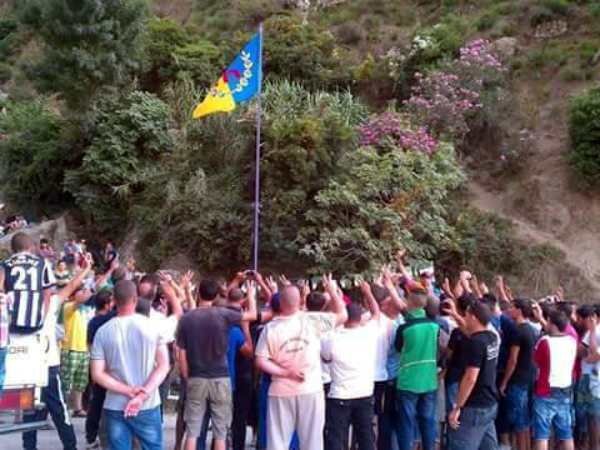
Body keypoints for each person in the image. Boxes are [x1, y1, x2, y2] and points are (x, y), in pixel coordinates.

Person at [255, 275, 348, 450]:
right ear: (300, 302)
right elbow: (343, 315)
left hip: (280, 390)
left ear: (281, 303)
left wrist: (285, 373)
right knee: (312, 442)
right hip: (310, 388)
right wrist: (332, 291)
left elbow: (260, 360)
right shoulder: (313, 320)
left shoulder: (271, 328)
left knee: (277, 442)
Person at [22, 254, 94, 450]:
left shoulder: (16, 304)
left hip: (26, 366)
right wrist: (86, 269)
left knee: (30, 410)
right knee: (59, 410)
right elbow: (71, 287)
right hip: (47, 365)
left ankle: (29, 446)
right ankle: (70, 446)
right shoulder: (51, 304)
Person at [176, 277, 257, 450]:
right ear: (216, 295)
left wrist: (187, 377)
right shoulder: (224, 314)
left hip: (196, 377)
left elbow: (181, 355)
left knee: (192, 431)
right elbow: (252, 315)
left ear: (198, 292)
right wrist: (250, 296)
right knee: (220, 433)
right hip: (221, 378)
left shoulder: (186, 319)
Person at [90, 280, 170, 450]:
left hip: (115, 404)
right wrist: (143, 393)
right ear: (135, 298)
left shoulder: (103, 332)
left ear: (114, 301)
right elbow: (163, 366)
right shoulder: (152, 326)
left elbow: (97, 374)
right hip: (148, 403)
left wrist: (127, 390)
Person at [321, 281, 380, 450]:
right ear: (361, 318)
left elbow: (325, 358)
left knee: (335, 438)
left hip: (340, 395)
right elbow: (376, 313)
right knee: (366, 437)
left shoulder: (331, 337)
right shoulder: (369, 333)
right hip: (364, 394)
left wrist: (333, 296)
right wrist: (368, 292)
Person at [447, 301, 500, 450]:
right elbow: (470, 332)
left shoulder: (475, 343)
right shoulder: (492, 337)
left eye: (466, 315)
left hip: (474, 406)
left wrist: (457, 407)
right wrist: (455, 315)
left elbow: (470, 378)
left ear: (474, 318)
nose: (465, 318)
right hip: (489, 403)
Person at [394, 290, 440, 450]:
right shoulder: (435, 326)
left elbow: (398, 349)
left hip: (408, 381)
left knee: (406, 424)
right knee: (428, 422)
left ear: (410, 303)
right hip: (429, 380)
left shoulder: (404, 328)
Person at [532, 310, 577, 450]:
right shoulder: (572, 341)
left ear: (554, 325)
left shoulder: (544, 341)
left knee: (542, 435)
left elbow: (535, 363)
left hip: (545, 391)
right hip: (565, 389)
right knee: (566, 433)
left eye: (549, 321)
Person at [499, 299, 536, 450]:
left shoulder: (518, 331)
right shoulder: (530, 329)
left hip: (517, 381)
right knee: (525, 422)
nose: (509, 310)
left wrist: (504, 383)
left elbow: (513, 359)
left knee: (519, 423)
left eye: (512, 307)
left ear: (519, 310)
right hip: (527, 379)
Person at [1, 232, 56, 334]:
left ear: (12, 249)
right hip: (35, 325)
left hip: (11, 325)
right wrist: (43, 319)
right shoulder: (43, 263)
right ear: (31, 248)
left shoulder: (4, 265)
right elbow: (47, 295)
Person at [85, 291, 115, 449]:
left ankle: (90, 435)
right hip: (110, 366)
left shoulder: (92, 322)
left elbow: (89, 345)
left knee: (96, 401)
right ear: (107, 304)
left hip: (96, 364)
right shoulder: (111, 318)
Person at [60, 278, 95, 417]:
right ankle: (65, 409)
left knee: (80, 382)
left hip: (82, 349)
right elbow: (79, 301)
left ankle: (77, 407)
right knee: (66, 381)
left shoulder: (82, 310)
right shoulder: (68, 307)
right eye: (79, 292)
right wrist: (88, 289)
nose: (83, 295)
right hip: (70, 349)